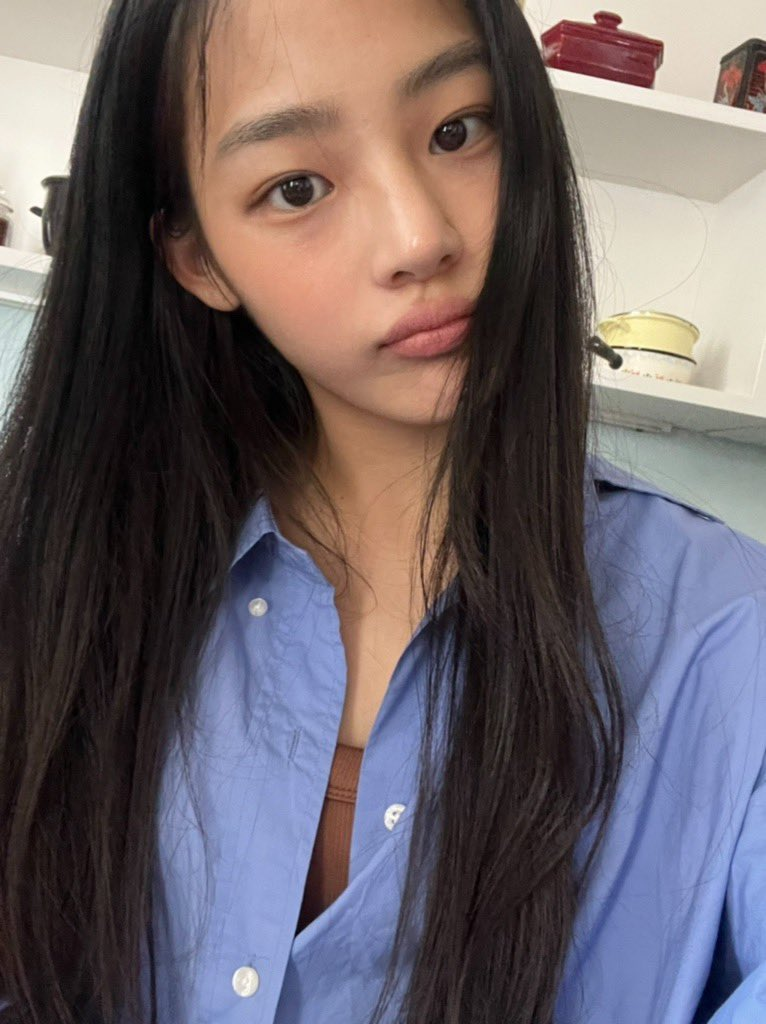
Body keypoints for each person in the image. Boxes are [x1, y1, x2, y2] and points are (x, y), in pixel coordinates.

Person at [0, 0, 764, 1021]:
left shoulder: (727, 630)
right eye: (297, 187)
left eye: (457, 130)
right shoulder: (53, 587)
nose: (420, 237)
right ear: (197, 258)